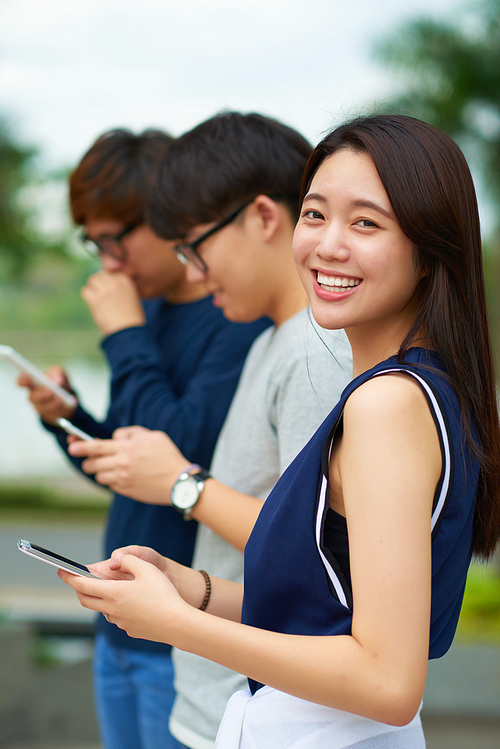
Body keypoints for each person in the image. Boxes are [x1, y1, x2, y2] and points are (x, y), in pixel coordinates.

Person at [60, 113, 500, 748]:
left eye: (366, 223)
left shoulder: (383, 406)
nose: (326, 245)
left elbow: (388, 683)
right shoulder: (411, 389)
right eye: (316, 214)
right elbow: (330, 609)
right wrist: (192, 590)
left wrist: (175, 623)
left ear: (430, 251)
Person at [62, 111, 353, 748]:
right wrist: (176, 578)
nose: (193, 272)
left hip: (254, 704)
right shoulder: (272, 346)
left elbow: (320, 557)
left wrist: (184, 486)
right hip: (212, 697)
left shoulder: (316, 354)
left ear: (262, 217)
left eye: (196, 245)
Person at [17, 128, 269, 749]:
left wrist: (125, 334)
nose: (108, 261)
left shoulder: (232, 317)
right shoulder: (150, 312)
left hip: (181, 630)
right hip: (118, 624)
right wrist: (66, 418)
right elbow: (131, 466)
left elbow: (181, 457)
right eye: (92, 240)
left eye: (115, 238)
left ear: (166, 218)